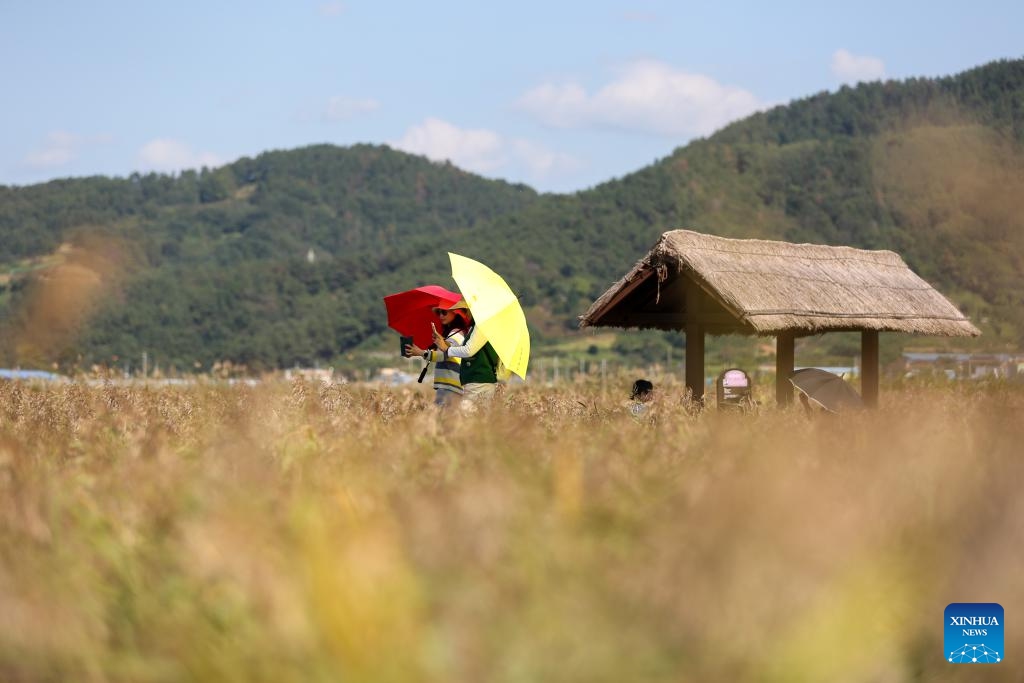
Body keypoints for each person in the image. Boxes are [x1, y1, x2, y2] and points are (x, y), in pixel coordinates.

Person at [430, 299, 500, 406]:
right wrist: (445, 343)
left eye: (465, 310)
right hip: (474, 380)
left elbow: (468, 350)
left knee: (466, 416)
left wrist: (446, 349)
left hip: (479, 380)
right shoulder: (475, 327)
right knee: (472, 418)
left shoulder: (481, 326)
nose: (465, 314)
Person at [405, 304, 470, 407]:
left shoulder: (457, 333)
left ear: (455, 313)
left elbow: (443, 355)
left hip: (451, 386)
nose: (441, 316)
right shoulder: (451, 333)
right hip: (448, 385)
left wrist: (420, 353)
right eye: (438, 313)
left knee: (444, 420)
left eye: (444, 312)